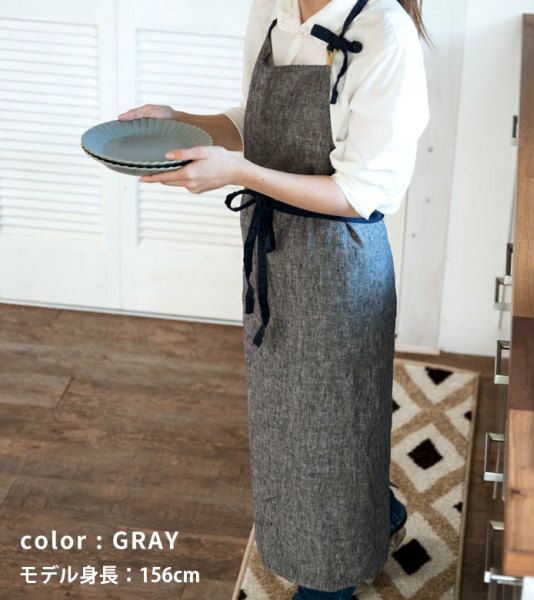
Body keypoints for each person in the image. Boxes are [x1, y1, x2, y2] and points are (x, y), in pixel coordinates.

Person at [118, 0, 430, 597]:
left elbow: (362, 192)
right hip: (272, 247)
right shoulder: (272, 7)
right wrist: (179, 120)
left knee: (334, 419)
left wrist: (239, 173)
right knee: (288, 416)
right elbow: (253, 121)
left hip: (339, 261)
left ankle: (329, 579)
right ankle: (377, 510)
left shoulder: (385, 33)